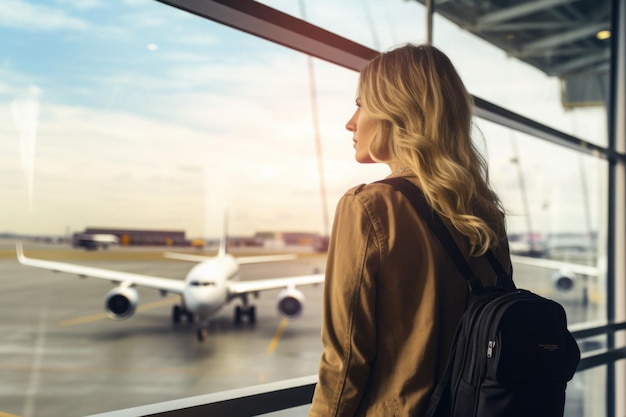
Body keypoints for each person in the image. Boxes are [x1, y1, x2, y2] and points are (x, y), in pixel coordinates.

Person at [308, 43, 511, 417]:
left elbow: (345, 361)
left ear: (396, 112)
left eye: (361, 105)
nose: (350, 123)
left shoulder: (368, 207)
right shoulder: (485, 214)